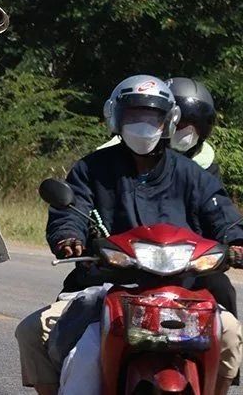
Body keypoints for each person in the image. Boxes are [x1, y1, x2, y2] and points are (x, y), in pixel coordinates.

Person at [15, 75, 243, 395]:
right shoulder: (91, 169)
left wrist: (237, 242)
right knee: (32, 332)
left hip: (183, 289)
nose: (143, 124)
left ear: (169, 120)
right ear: (116, 118)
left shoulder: (191, 174)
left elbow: (221, 214)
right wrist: (69, 237)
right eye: (134, 115)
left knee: (230, 334)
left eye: (152, 116)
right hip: (106, 286)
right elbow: (71, 210)